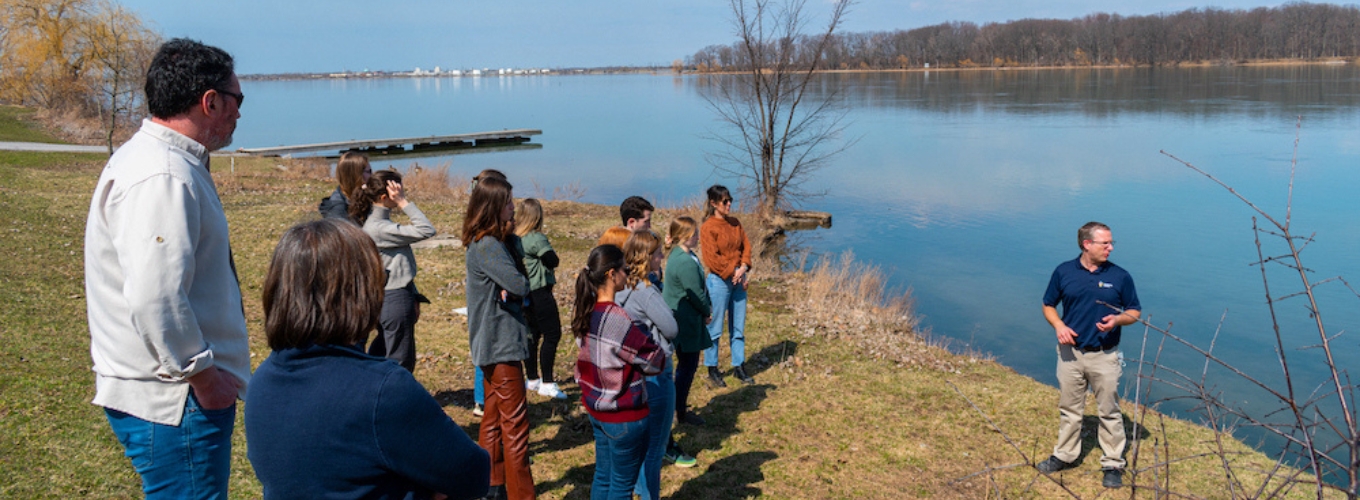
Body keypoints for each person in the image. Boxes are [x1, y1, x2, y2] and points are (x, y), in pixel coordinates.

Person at [83, 38, 248, 499]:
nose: (240, 113)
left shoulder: (166, 162)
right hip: (175, 401)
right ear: (210, 101)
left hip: (173, 395)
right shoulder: (163, 175)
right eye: (237, 100)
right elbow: (155, 294)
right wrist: (201, 375)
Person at [245, 219, 490, 499]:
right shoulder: (382, 390)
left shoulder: (262, 382)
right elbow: (473, 472)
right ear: (359, 295)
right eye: (378, 282)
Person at [1036, 221, 1142, 490]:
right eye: (1105, 243)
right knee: (1070, 408)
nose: (1110, 247)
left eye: (1111, 243)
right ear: (1087, 244)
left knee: (1109, 411)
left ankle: (1113, 463)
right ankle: (1065, 455)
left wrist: (1117, 320)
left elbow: (1134, 312)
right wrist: (1059, 326)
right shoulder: (1064, 272)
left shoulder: (1121, 276)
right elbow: (1048, 305)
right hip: (1070, 354)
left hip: (1104, 356)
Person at [572, 244, 665, 500]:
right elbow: (655, 361)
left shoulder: (586, 311)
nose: (628, 273)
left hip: (596, 411)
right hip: (624, 415)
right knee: (622, 487)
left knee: (603, 476)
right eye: (625, 269)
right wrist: (646, 335)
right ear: (612, 274)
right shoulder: (618, 319)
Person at [463, 176, 535, 500]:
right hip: (500, 343)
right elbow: (520, 284)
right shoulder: (489, 246)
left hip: (490, 344)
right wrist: (517, 283)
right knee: (516, 430)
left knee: (492, 421)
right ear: (494, 206)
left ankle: (491, 487)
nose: (513, 206)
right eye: (508, 202)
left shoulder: (487, 242)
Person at [616, 230, 685, 499]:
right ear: (646, 258)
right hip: (656, 372)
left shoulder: (621, 287)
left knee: (637, 444)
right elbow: (671, 328)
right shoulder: (646, 291)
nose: (662, 257)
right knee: (655, 448)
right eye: (658, 253)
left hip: (631, 372)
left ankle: (635, 488)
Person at [349, 168, 436, 373]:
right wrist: (404, 203)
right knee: (401, 361)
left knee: (384, 351)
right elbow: (426, 229)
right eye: (398, 192)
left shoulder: (377, 222)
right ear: (384, 197)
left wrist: (413, 294)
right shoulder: (378, 228)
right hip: (394, 297)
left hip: (393, 294)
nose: (402, 194)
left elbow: (397, 265)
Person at [699, 185, 754, 387]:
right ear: (714, 203)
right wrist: (734, 271)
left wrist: (743, 267)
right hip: (719, 282)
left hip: (738, 280)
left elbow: (746, 247)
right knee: (714, 327)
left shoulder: (735, 223)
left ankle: (739, 365)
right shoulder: (708, 227)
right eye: (725, 201)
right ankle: (712, 368)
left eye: (730, 200)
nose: (729, 204)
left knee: (738, 326)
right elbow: (711, 259)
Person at [515, 198, 568, 399]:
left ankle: (532, 377)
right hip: (541, 292)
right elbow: (552, 260)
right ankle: (547, 381)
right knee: (552, 334)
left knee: (533, 334)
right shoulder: (537, 239)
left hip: (526, 292)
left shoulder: (516, 238)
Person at [663, 216, 713, 428]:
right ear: (683, 236)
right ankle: (678, 410)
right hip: (685, 320)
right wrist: (707, 310)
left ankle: (677, 406)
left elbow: (699, 288)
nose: (698, 237)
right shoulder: (683, 261)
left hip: (684, 316)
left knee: (686, 364)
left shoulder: (684, 254)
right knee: (688, 365)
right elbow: (694, 293)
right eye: (694, 233)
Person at [317, 151, 372, 219]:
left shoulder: (360, 196)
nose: (372, 176)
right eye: (368, 172)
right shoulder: (338, 212)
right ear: (356, 176)